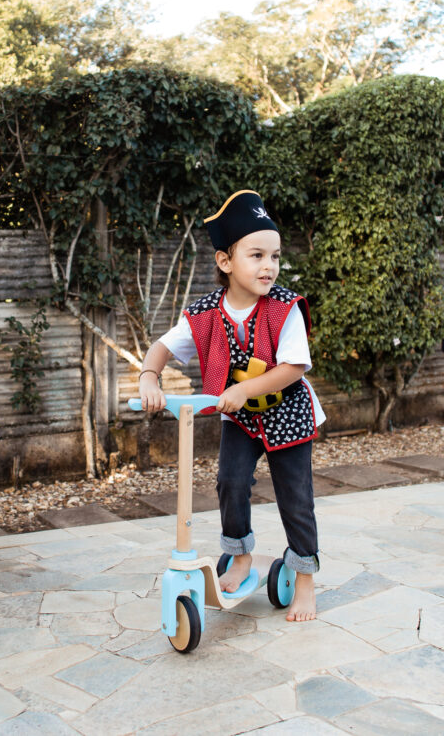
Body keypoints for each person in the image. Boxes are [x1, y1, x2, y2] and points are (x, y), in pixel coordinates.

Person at [138, 189, 325, 622]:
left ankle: (305, 580)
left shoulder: (285, 308)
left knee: (295, 498)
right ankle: (240, 556)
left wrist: (246, 389)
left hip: (288, 414)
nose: (269, 267)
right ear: (226, 261)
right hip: (241, 420)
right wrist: (150, 376)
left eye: (275, 257)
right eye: (257, 255)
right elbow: (161, 347)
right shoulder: (203, 314)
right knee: (230, 482)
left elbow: (295, 366)